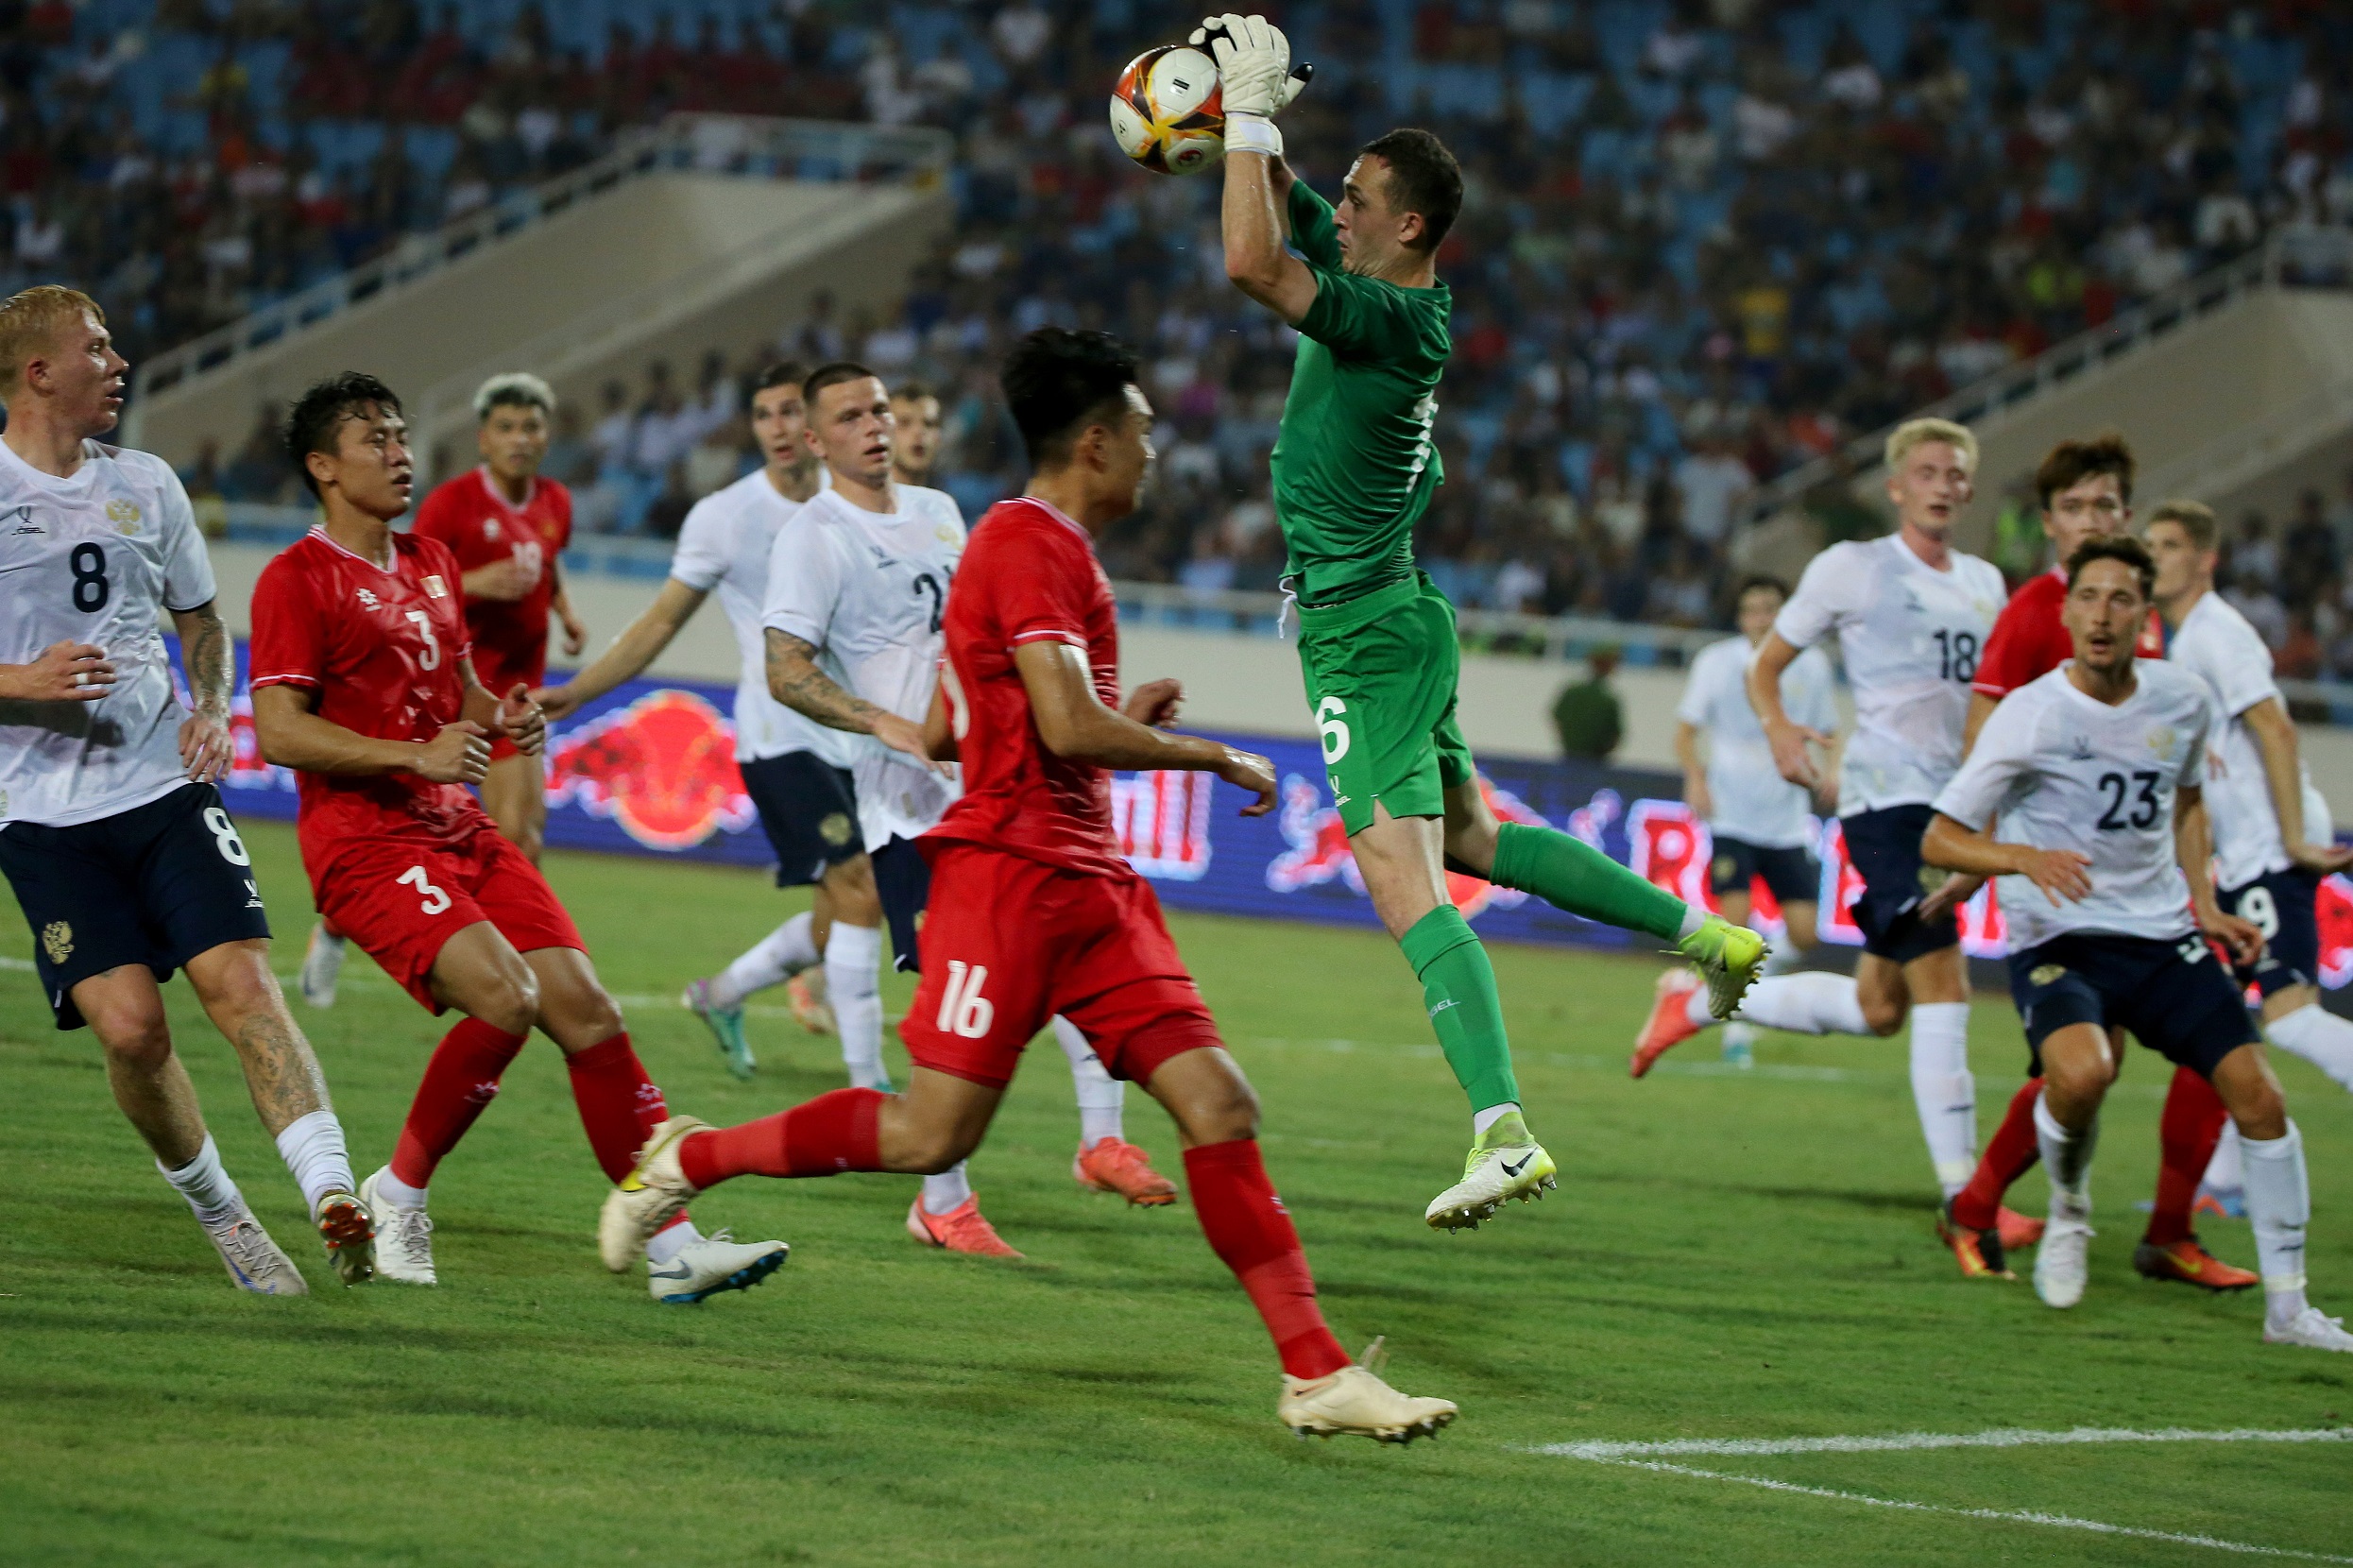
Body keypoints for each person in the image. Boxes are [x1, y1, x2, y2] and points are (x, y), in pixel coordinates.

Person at [601, 326, 1461, 1439]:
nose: (1157, 454)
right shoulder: (1023, 543)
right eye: (1145, 433)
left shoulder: (1022, 545)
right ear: (1095, 443)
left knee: (1218, 1104)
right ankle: (688, 1158)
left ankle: (1315, 1373)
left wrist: (1103, 724)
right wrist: (1204, 752)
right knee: (929, 1138)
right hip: (1009, 877)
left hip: (1091, 882)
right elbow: (1052, 721)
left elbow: (973, 720)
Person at [1211, 15, 1762, 1228]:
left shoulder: (1390, 318)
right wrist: (1235, 123)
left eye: (1359, 200)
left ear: (1408, 225)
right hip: (1396, 615)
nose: (1338, 212)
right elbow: (1281, 210)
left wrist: (1247, 120)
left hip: (1366, 631)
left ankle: (1500, 1129)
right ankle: (1707, 939)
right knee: (1469, 838)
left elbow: (1252, 264)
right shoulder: (1382, 287)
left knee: (1398, 877)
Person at [248, 371, 784, 1304]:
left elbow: (465, 696)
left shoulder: (431, 562)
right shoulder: (297, 578)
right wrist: (414, 753)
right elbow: (280, 730)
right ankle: (398, 1190)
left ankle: (673, 1247)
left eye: (403, 434)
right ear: (323, 467)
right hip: (366, 842)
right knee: (507, 997)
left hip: (459, 829)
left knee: (591, 1013)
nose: (401, 452)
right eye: (375, 439)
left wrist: (508, 720)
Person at [0, 284, 373, 1295]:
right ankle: (222, 1210)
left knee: (241, 984)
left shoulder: (149, 484)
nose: (119, 363)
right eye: (98, 348)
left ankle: (334, 1192)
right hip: (40, 818)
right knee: (132, 1029)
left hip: (163, 785)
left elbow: (202, 621)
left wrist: (210, 705)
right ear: (40, 372)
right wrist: (16, 683)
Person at [761, 362, 1179, 1257]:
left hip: (996, 791)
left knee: (1062, 965)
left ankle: (1098, 1139)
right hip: (909, 810)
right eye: (849, 415)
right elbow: (784, 669)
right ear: (813, 439)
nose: (873, 425)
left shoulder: (945, 514)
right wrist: (887, 723)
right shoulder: (813, 535)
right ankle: (940, 1197)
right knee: (958, 1011)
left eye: (879, 407)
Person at [1922, 536, 2352, 1353]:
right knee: (2081, 1074)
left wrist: (2203, 900)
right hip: (2060, 933)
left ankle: (2290, 1310)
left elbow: (2186, 797)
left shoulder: (2180, 698)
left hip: (2160, 936)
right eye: (2088, 597)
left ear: (2143, 617)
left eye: (2121, 599)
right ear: (2066, 608)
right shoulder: (2031, 713)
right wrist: (2021, 857)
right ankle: (2070, 1213)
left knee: (2259, 1099)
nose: (2102, 614)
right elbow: (1941, 837)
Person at [1940, 436, 2242, 1287]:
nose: (2088, 520)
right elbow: (1985, 738)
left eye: (2103, 507)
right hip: (2060, 895)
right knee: (2081, 1070)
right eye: (2072, 508)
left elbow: (2164, 773)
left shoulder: (2136, 623)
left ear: (2126, 517)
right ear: (2047, 524)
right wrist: (1984, 857)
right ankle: (1991, 1207)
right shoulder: (2040, 610)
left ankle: (2144, 1226)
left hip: (2137, 894)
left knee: (2151, 1059)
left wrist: (2197, 888)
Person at [534, 362, 851, 1073]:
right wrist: (582, 690)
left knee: (856, 910)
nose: (777, 428)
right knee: (859, 893)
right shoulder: (724, 517)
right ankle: (875, 1087)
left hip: (863, 734)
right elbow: (658, 623)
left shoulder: (855, 501)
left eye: (790, 412)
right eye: (763, 414)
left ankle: (725, 990)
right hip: (786, 736)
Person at [1748, 418, 2013, 1219]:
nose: (1942, 485)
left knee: (1880, 1007)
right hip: (1882, 798)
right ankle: (1965, 1198)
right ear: (1897, 487)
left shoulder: (1986, 585)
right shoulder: (1852, 568)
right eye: (1926, 471)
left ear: (1967, 490)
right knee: (1943, 977)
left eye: (1954, 474)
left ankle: (1704, 998)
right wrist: (1781, 726)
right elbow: (1769, 666)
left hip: (1954, 802)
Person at [298, 372, 586, 1007]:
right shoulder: (453, 504)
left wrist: (563, 611)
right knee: (413, 831)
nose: (520, 439)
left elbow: (549, 561)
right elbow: (413, 576)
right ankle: (338, 924)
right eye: (507, 427)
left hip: (508, 696)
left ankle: (503, 959)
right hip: (435, 701)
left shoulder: (555, 502)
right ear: (484, 438)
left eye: (532, 427)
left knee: (524, 834)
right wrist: (485, 582)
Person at [2149, 500, 2353, 1202]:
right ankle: (2223, 1180)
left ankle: (2223, 1178)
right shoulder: (2183, 641)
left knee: (2290, 1018)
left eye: (2170, 545)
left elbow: (2276, 729)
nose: (2155, 558)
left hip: (2270, 854)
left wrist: (2294, 840)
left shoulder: (2216, 634)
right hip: (2241, 859)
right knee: (2226, 1023)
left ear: (2204, 559)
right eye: (2149, 545)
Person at [1632, 576, 1837, 1072]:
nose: (1762, 618)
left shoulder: (1812, 665)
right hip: (1732, 814)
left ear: (1785, 613)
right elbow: (1685, 733)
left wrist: (1831, 771)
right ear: (1740, 617)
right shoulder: (1717, 662)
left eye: (1771, 608)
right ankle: (1738, 1031)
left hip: (1787, 818)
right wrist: (1695, 779)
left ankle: (1743, 987)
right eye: (1752, 610)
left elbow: (1828, 732)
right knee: (1737, 924)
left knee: (1805, 934)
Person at [1549, 646, 1624, 761]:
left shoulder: (1572, 691)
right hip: (1595, 760)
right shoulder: (1608, 700)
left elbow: (1557, 717)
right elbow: (1615, 735)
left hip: (1569, 755)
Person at [888, 378, 944, 489]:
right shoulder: (857, 502)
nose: (919, 432)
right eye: (904, 423)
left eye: (929, 424)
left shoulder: (953, 502)